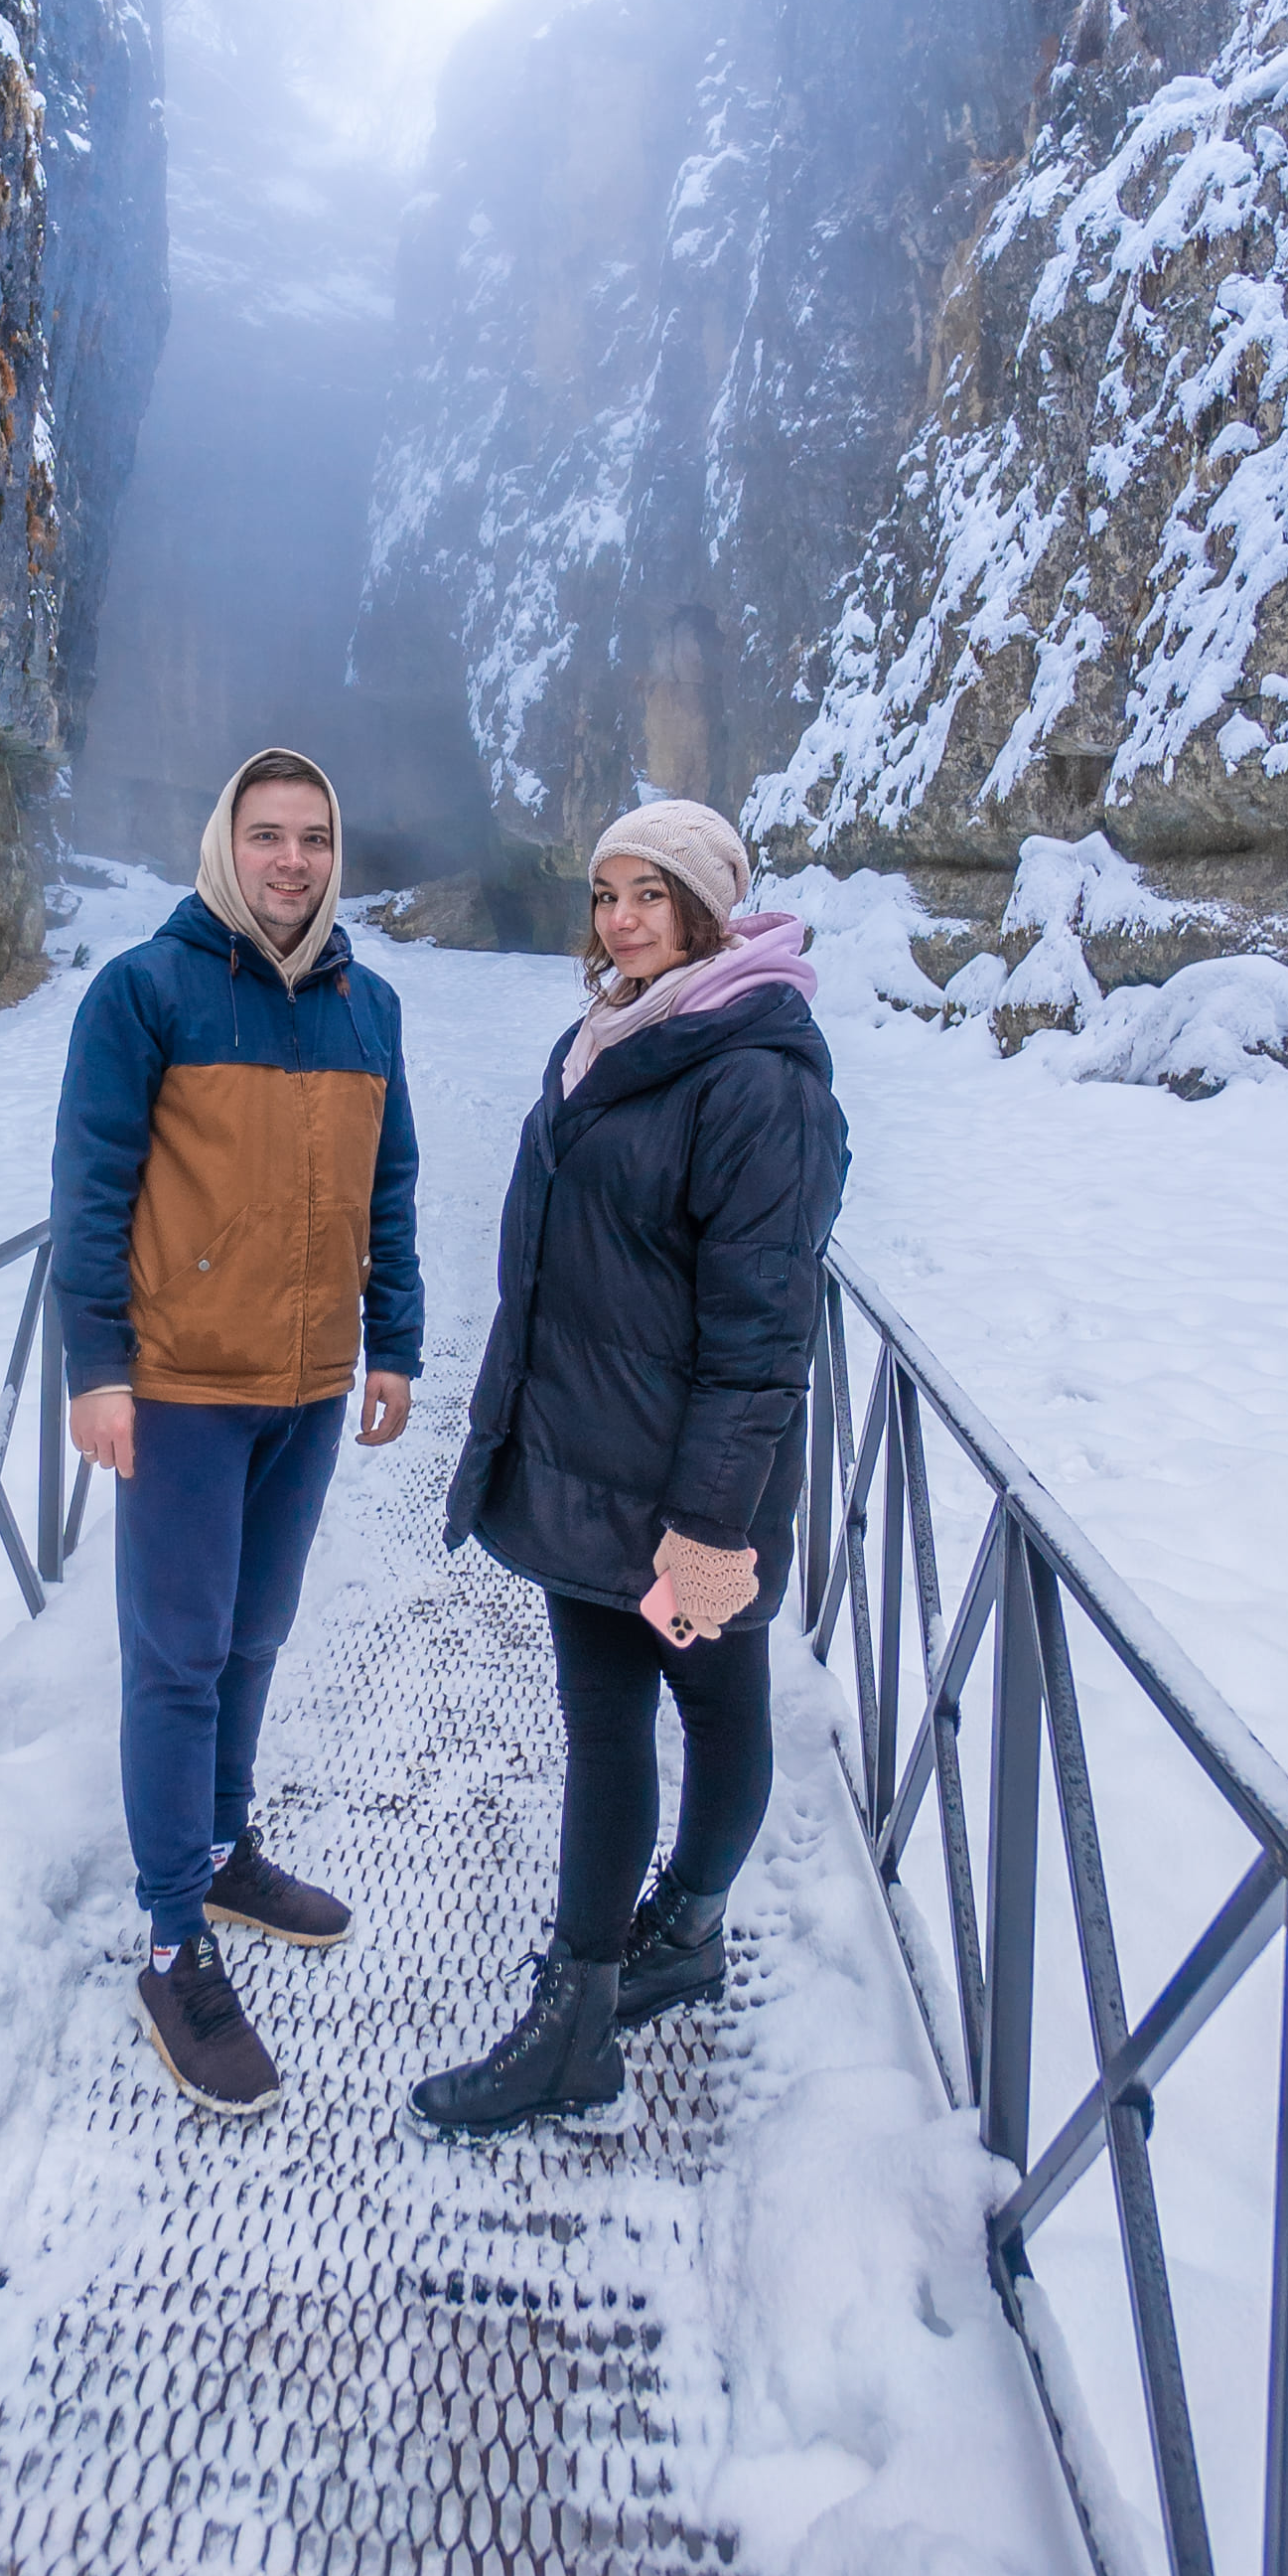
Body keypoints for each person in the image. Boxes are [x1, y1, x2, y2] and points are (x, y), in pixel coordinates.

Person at [412, 798, 846, 2138]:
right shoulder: (611, 1036)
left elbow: (762, 1334)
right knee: (611, 1726)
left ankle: (638, 1971)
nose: (621, 920)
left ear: (711, 905)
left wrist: (709, 1528)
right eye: (606, 895)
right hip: (585, 1469)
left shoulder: (758, 1078)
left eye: (650, 895)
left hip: (688, 1496)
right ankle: (609, 1986)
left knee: (712, 1709)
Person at [52, 748, 421, 2118]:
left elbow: (394, 1189)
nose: (290, 862)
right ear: (224, 845)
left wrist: (399, 1343)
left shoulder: (368, 1006)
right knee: (176, 1657)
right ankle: (171, 1938)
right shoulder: (142, 992)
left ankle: (220, 1847)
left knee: (254, 1638)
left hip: (310, 1389)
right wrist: (97, 1368)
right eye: (266, 836)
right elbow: (88, 1189)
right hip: (183, 1391)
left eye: (314, 839)